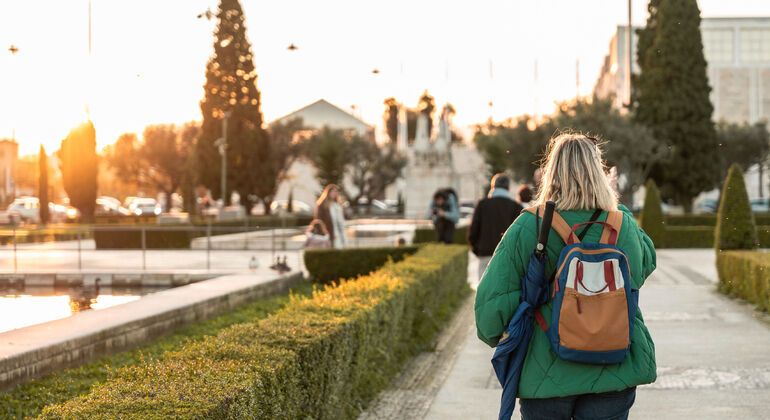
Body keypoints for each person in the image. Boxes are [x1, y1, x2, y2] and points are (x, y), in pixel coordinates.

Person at [475, 134, 656, 420]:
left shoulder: (529, 225)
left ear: (552, 173)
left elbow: (489, 314)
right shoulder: (621, 223)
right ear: (599, 173)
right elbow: (645, 263)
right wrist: (615, 203)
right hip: (613, 369)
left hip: (545, 376)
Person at [468, 174, 522, 281]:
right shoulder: (516, 207)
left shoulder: (482, 204)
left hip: (484, 253)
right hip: (506, 256)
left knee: (483, 288)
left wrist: (477, 249)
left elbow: (473, 231)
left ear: (493, 187)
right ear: (508, 188)